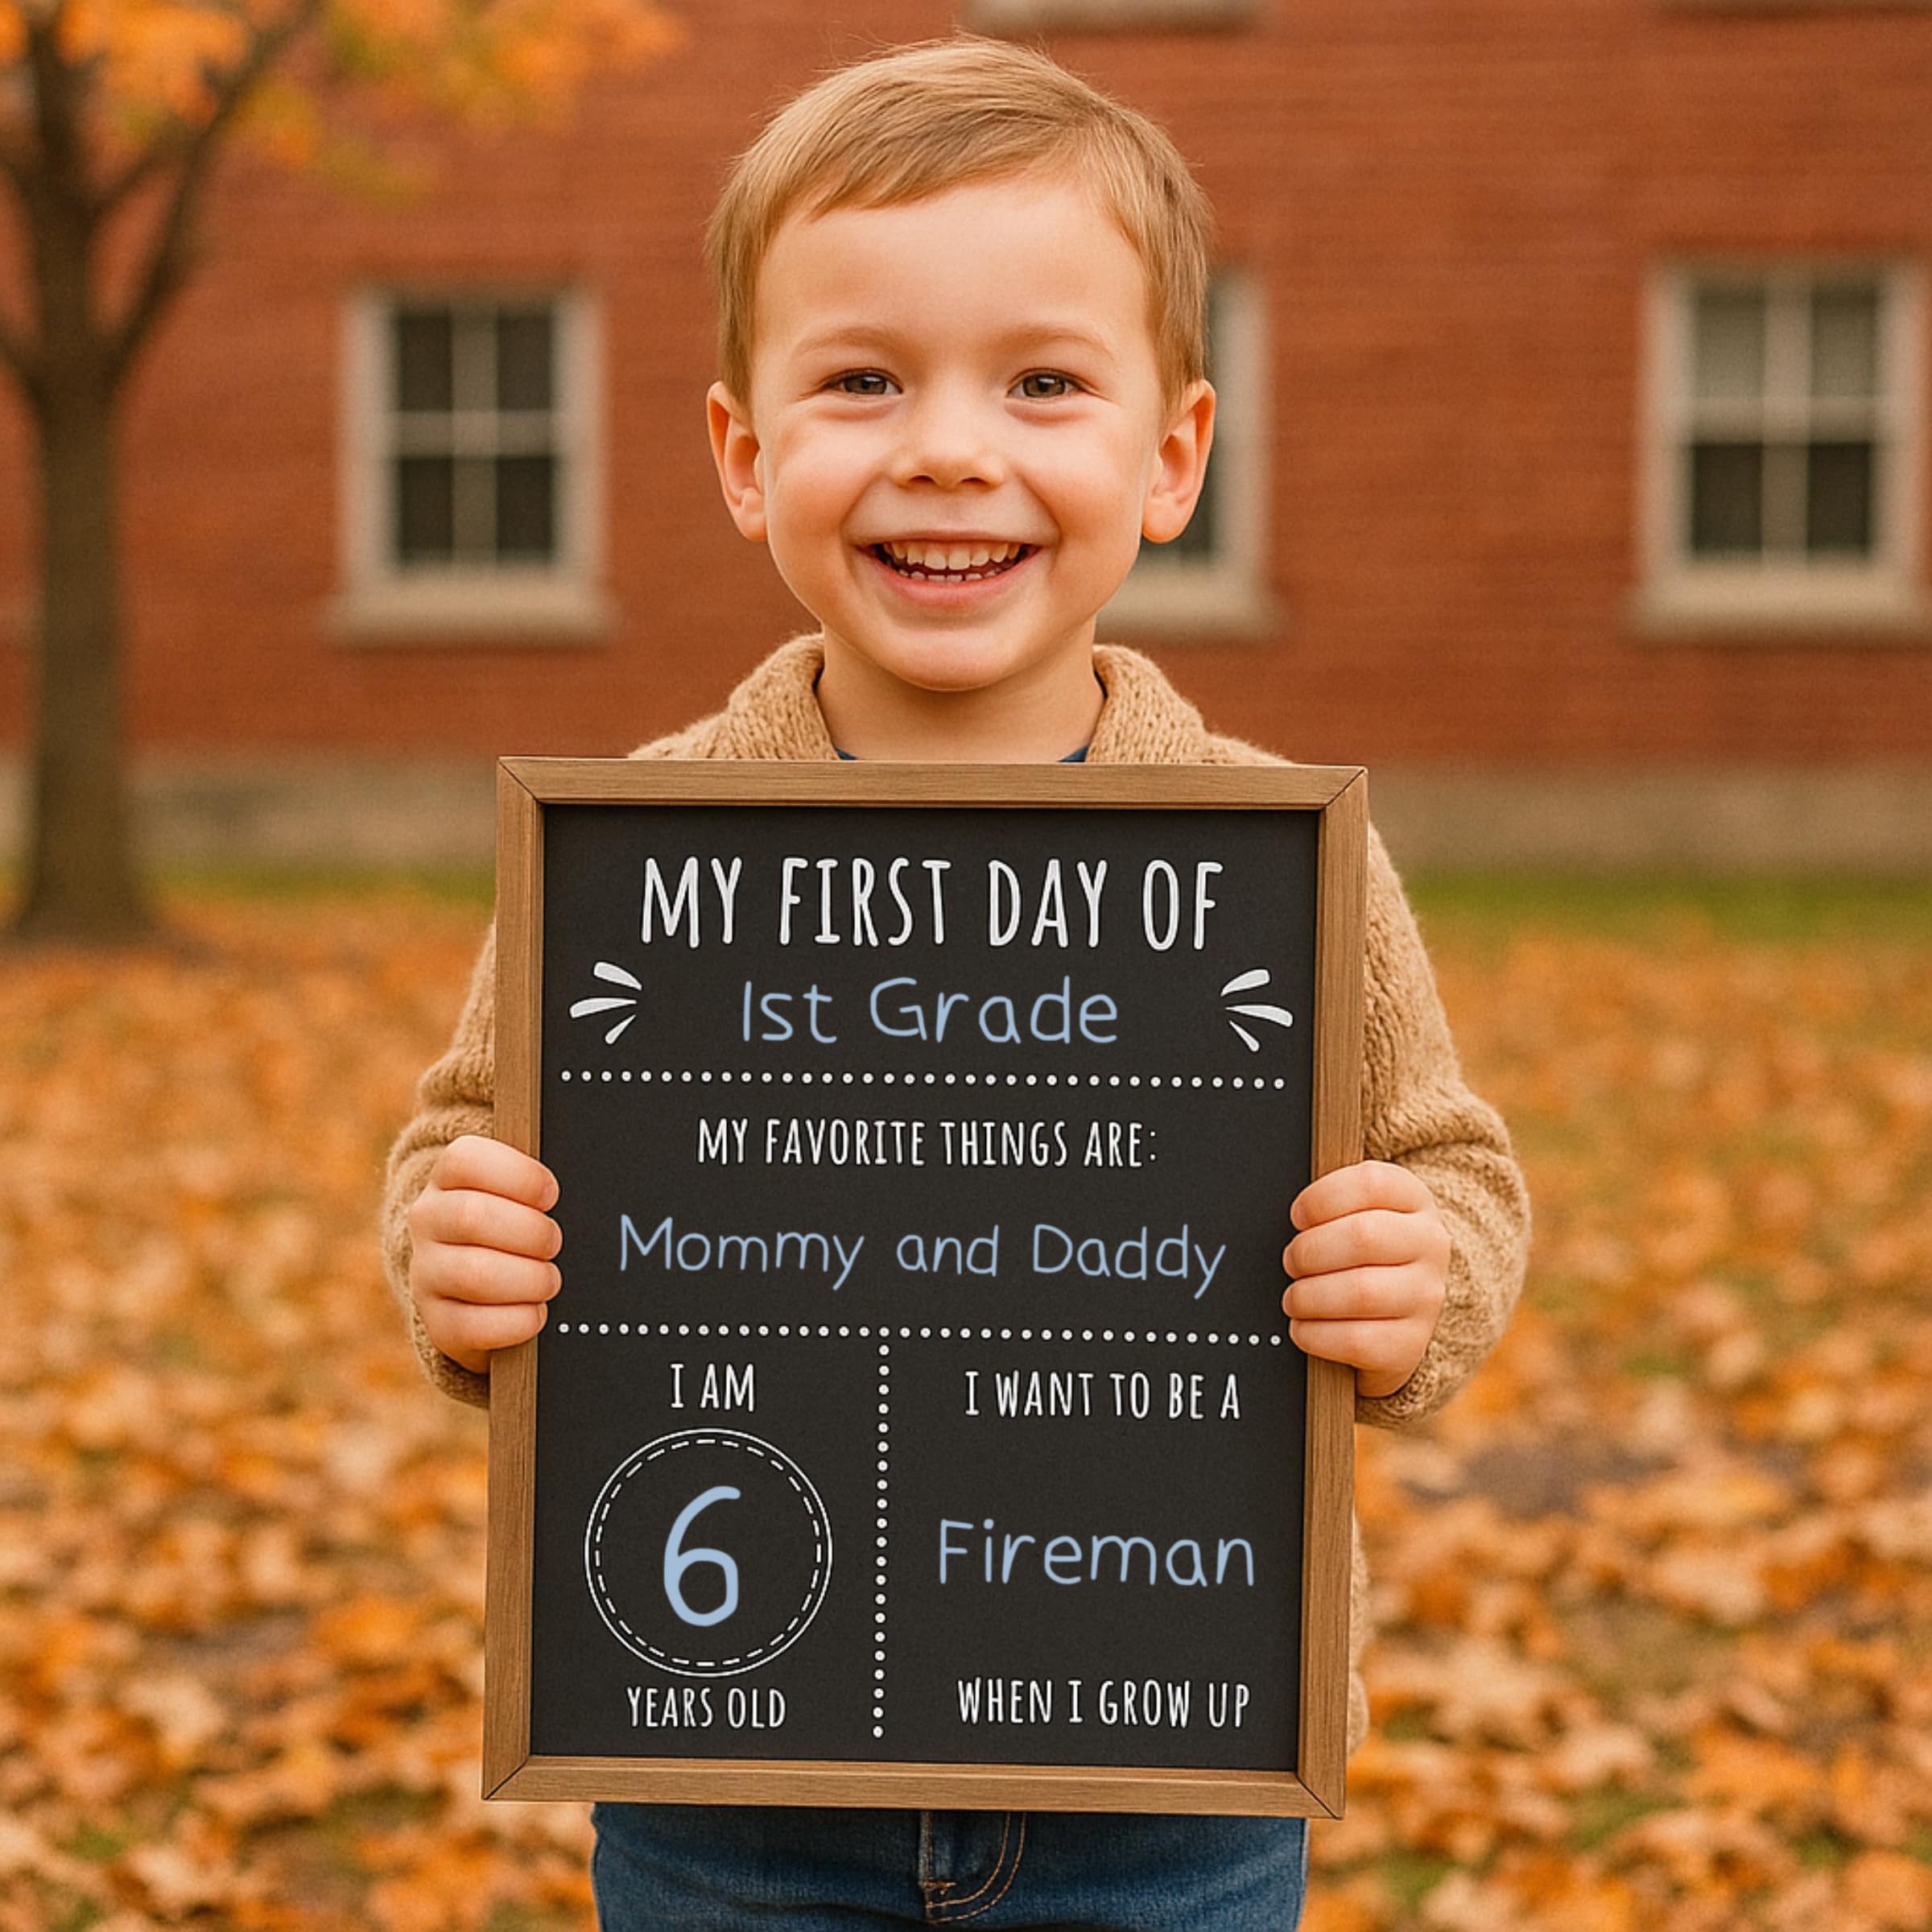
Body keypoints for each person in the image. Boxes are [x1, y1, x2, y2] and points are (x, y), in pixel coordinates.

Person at [382, 35, 1530, 1930]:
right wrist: (453, 1252)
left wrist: (1427, 1279)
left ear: (1171, 458)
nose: (946, 445)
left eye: (1044, 382)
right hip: (724, 1782)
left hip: (1175, 1783)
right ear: (747, 459)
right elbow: (458, 1142)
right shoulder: (636, 851)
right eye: (861, 381)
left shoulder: (1273, 857)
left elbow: (1458, 1173)